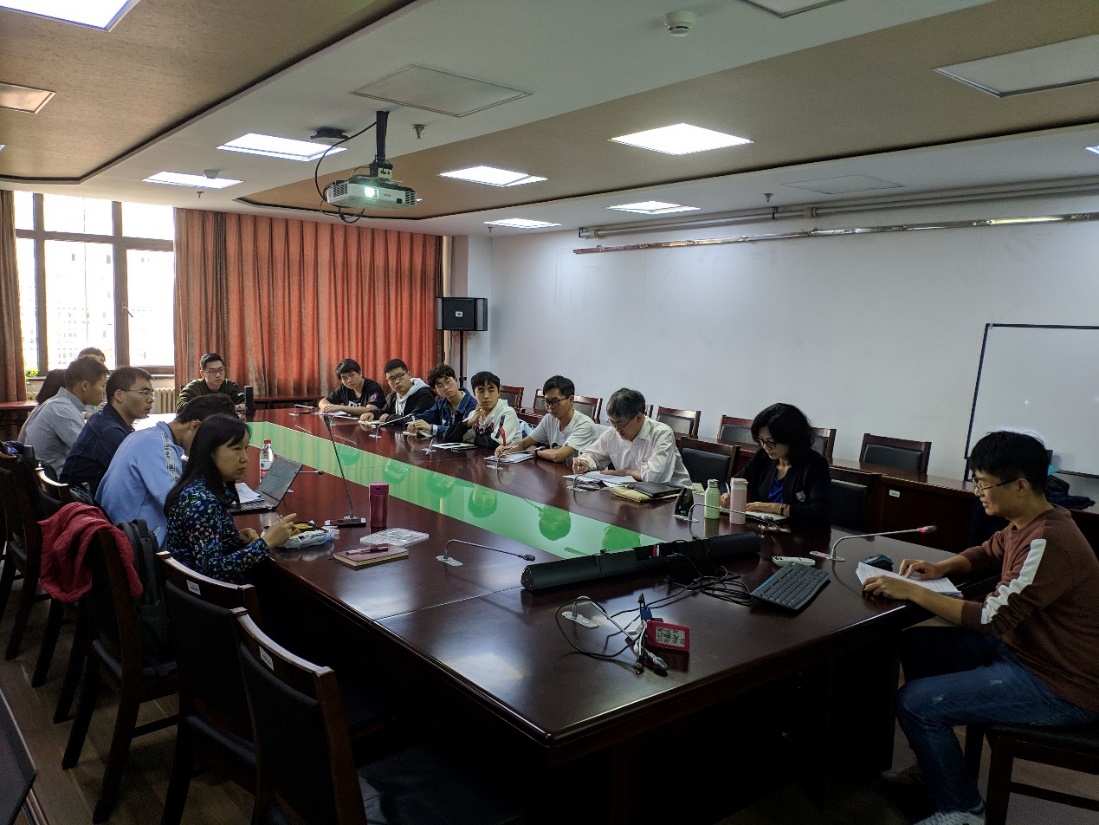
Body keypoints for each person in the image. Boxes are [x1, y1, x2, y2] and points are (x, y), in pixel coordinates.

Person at [864, 431, 1099, 825]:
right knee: (919, 643)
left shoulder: (1048, 541)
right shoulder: (1026, 522)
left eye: (983, 484)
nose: (978, 493)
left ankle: (963, 810)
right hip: (1024, 653)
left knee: (916, 702)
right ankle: (934, 765)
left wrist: (911, 590)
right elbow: (989, 552)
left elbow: (991, 618)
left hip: (1061, 684)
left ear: (1020, 485)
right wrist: (942, 567)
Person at [165, 414, 297, 583]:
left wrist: (231, 538)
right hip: (211, 594)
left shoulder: (202, 487)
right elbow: (212, 571)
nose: (245, 458)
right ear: (210, 452)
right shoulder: (201, 501)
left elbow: (204, 544)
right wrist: (266, 542)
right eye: (236, 449)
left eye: (246, 448)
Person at [97, 394, 236, 545]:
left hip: (124, 534)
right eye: (213, 441)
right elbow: (185, 508)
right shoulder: (159, 447)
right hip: (139, 546)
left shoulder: (147, 436)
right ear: (196, 426)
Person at [719, 402, 831, 527]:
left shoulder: (815, 465)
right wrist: (726, 494)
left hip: (798, 534)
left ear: (791, 438)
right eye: (761, 440)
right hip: (762, 530)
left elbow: (820, 511)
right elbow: (731, 483)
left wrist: (775, 508)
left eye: (771, 442)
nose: (765, 447)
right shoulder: (762, 458)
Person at [60, 367, 154, 496]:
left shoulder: (104, 418)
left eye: (151, 393)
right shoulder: (108, 431)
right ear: (119, 395)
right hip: (85, 504)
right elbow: (143, 475)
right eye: (144, 392)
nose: (150, 399)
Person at [573, 388, 690, 487]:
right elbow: (593, 455)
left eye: (620, 424)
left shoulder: (661, 434)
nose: (617, 429)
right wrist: (585, 463)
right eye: (612, 423)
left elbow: (656, 477)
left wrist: (626, 473)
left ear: (639, 417)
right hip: (633, 491)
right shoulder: (611, 434)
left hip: (673, 495)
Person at [18, 357, 109, 477]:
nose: (104, 392)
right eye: (102, 385)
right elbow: (92, 452)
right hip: (57, 484)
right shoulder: (63, 410)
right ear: (85, 386)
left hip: (45, 478)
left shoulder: (57, 403)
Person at [495, 375, 598, 463]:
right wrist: (506, 449)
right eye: (547, 402)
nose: (550, 407)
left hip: (585, 477)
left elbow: (558, 456)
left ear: (570, 400)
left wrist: (536, 451)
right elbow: (524, 443)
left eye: (555, 401)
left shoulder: (584, 424)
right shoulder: (550, 419)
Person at [406, 364, 477, 439]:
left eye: (448, 382)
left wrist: (431, 428)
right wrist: (412, 424)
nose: (446, 387)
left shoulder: (472, 405)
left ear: (456, 380)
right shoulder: (441, 403)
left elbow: (461, 431)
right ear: (435, 390)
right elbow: (423, 417)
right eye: (440, 386)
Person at [458, 370, 522, 449]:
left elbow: (497, 441)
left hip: (508, 456)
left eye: (491, 391)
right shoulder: (474, 414)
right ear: (474, 393)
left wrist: (475, 440)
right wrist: (469, 423)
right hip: (483, 455)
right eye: (481, 391)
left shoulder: (507, 413)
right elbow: (457, 436)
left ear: (499, 393)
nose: (486, 396)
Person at [358, 359, 434, 424]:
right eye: (392, 378)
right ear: (388, 382)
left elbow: (415, 419)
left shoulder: (424, 395)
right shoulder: (393, 396)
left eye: (400, 376)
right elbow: (383, 412)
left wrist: (389, 418)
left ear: (409, 374)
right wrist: (372, 414)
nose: (397, 381)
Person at [177, 352, 246, 413]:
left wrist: (234, 408)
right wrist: (207, 408)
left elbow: (247, 403)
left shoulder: (229, 386)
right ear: (202, 373)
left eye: (220, 370)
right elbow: (180, 407)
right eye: (212, 371)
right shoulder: (194, 387)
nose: (218, 375)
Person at [319, 358, 384, 415]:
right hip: (350, 423)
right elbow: (323, 401)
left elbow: (370, 410)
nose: (349, 380)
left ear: (360, 373)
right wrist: (326, 407)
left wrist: (340, 408)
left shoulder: (373, 388)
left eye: (352, 375)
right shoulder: (344, 388)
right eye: (344, 378)